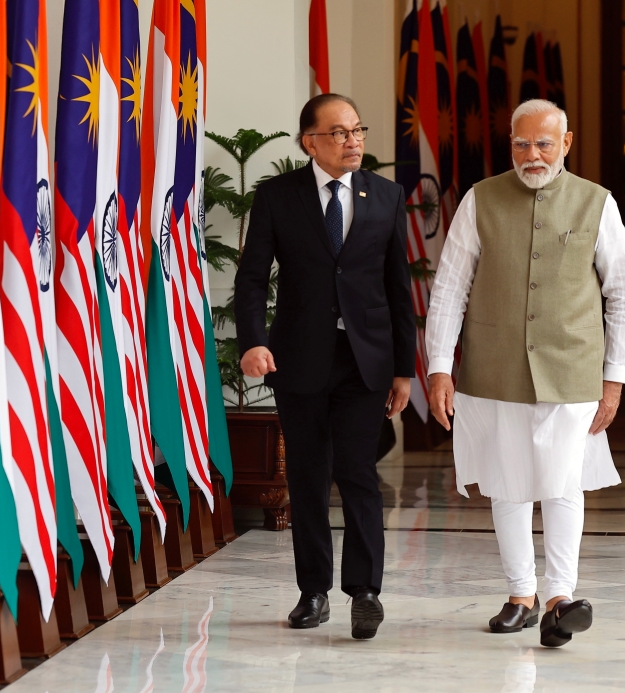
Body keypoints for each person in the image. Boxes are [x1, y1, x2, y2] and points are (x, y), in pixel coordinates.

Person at [425, 99, 625, 647]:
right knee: (507, 481)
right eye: (521, 144)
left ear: (566, 144)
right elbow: (449, 288)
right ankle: (520, 595)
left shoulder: (597, 203)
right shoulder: (481, 199)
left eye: (544, 143)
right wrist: (439, 368)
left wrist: (613, 378)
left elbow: (623, 296)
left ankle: (560, 597)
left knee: (564, 481)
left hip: (572, 368)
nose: (532, 154)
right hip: (491, 367)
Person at [235, 93, 416, 640]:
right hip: (300, 358)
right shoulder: (276, 197)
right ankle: (312, 591)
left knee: (358, 472)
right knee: (309, 477)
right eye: (339, 133)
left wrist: (403, 370)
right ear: (309, 141)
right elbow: (250, 279)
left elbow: (397, 289)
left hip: (366, 362)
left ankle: (365, 592)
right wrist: (252, 342)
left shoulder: (385, 196)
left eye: (358, 130)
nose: (353, 141)